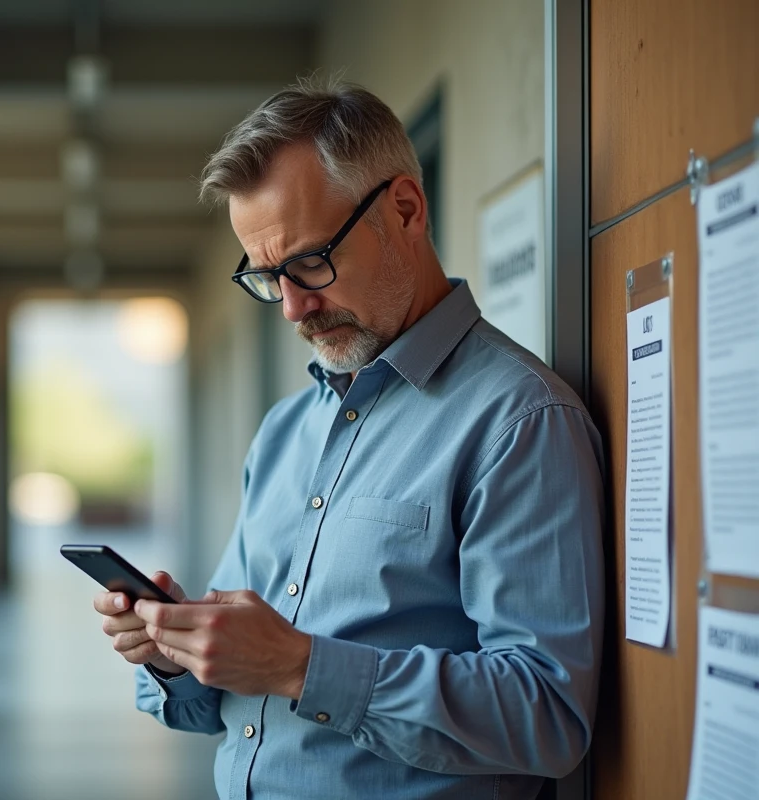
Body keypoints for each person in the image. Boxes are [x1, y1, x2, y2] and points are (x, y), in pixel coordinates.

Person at [91, 79, 604, 800]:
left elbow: (547, 714)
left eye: (309, 262)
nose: (294, 306)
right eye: (269, 277)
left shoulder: (518, 421)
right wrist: (181, 654)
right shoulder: (284, 433)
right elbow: (229, 710)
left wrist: (299, 665)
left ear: (404, 209)